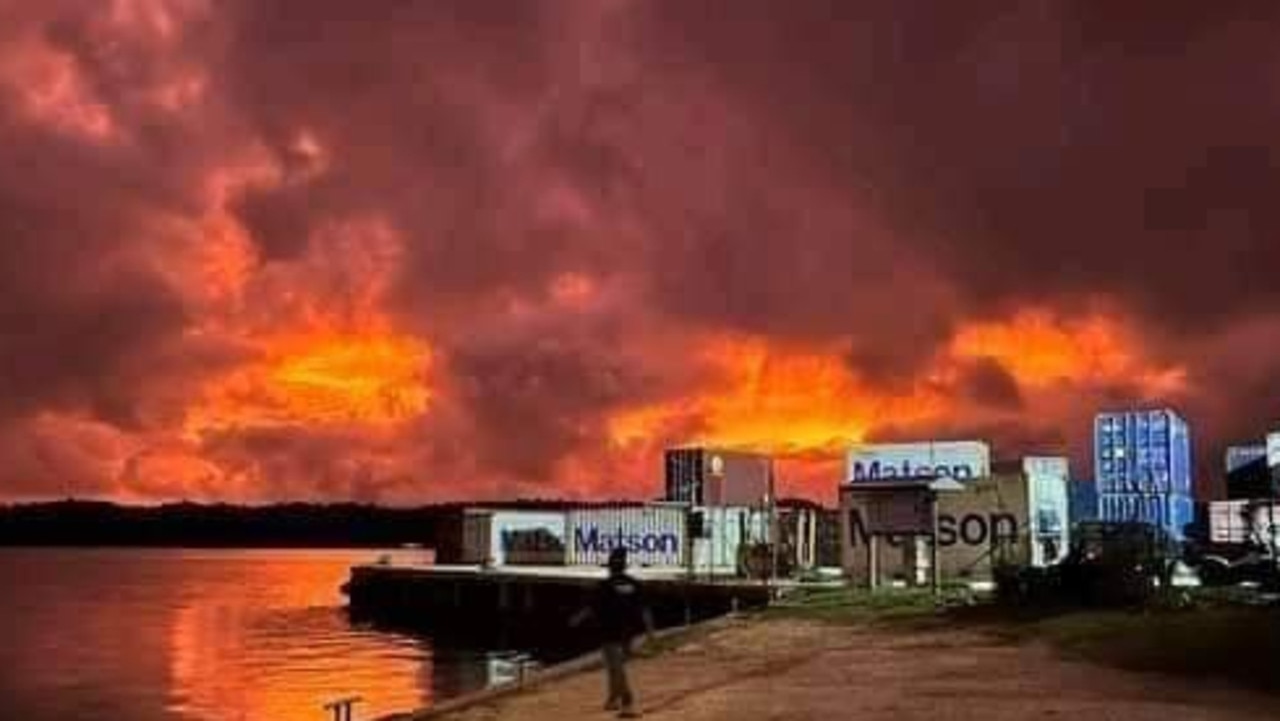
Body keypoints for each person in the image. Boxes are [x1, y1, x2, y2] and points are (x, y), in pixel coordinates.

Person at [571, 547, 655, 718]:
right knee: (615, 667)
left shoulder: (604, 586)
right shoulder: (635, 585)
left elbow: (590, 608)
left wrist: (575, 620)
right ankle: (612, 699)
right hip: (629, 632)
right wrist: (650, 632)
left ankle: (628, 702)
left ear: (610, 567)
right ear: (625, 566)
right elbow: (645, 610)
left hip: (609, 632)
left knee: (616, 668)